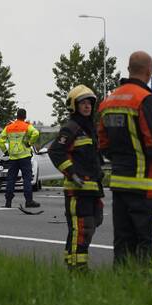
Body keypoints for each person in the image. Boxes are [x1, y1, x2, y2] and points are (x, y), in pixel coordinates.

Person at [97, 50, 152, 267]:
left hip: (120, 185)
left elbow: (103, 143)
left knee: (123, 243)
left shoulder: (108, 101)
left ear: (129, 69)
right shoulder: (145, 100)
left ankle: (123, 288)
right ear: (149, 71)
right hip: (147, 186)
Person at [48, 85, 104, 270]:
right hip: (77, 190)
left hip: (92, 189)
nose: (87, 106)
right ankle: (77, 268)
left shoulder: (89, 129)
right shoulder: (71, 128)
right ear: (74, 106)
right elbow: (56, 151)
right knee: (81, 229)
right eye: (83, 103)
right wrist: (72, 173)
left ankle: (73, 262)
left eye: (89, 103)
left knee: (90, 226)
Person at [0, 108, 41, 209]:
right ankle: (29, 201)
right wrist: (29, 143)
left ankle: (8, 202)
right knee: (27, 179)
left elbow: (0, 140)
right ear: (24, 116)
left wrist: (5, 151)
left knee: (11, 179)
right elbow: (36, 133)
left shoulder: (9, 127)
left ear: (16, 116)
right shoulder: (27, 126)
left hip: (13, 157)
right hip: (24, 157)